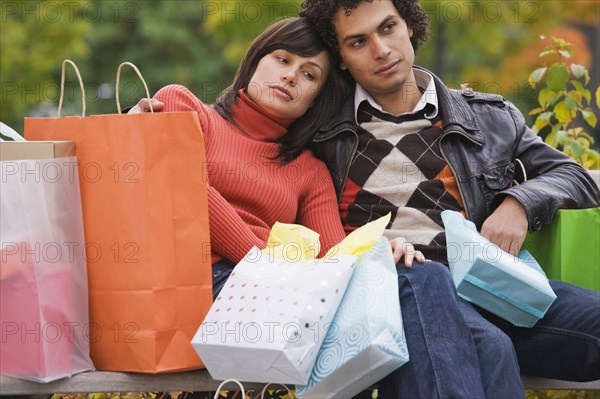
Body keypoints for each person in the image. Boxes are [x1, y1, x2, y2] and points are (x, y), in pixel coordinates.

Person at [300, 0, 600, 397]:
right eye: (358, 42)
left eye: (387, 28)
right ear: (340, 57)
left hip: (489, 285)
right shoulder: (319, 131)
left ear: (408, 25)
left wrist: (520, 203)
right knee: (488, 346)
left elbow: (575, 176)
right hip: (397, 296)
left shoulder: (489, 117)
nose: (381, 50)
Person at [130, 17, 354, 298]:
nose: (290, 76)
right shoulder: (185, 107)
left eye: (309, 75)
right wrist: (261, 261)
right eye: (283, 59)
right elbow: (184, 189)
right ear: (256, 60)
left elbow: (335, 262)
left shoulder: (310, 171)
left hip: (263, 291)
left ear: (316, 100)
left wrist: (384, 249)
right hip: (186, 278)